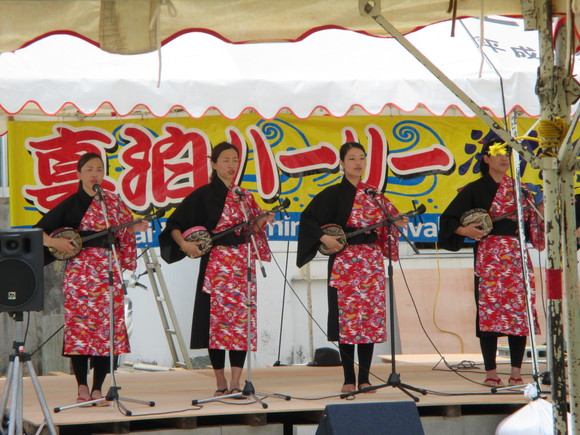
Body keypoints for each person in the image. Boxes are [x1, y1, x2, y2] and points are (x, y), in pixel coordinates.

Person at [159, 141, 273, 397]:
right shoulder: (202, 195)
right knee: (216, 324)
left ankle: (236, 381)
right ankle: (220, 382)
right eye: (225, 160)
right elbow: (174, 223)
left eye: (235, 160)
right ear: (213, 164)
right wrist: (184, 244)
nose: (231, 165)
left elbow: (252, 230)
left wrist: (262, 221)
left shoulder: (245, 196)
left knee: (239, 324)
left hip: (242, 265)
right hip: (217, 264)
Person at [35, 152, 149, 405]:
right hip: (81, 273)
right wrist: (55, 242)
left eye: (99, 169)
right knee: (81, 330)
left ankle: (99, 387)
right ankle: (82, 386)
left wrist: (135, 227)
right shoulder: (71, 203)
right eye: (89, 169)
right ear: (79, 174)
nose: (94, 174)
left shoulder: (112, 202)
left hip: (108, 271)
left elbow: (124, 228)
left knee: (106, 331)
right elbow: (37, 231)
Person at [296, 141, 408, 393]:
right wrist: (324, 238)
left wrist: (396, 224)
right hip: (345, 262)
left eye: (362, 158)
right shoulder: (333, 194)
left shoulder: (374, 195)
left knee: (367, 323)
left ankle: (365, 378)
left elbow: (389, 222)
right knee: (348, 324)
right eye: (352, 159)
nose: (358, 163)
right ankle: (348, 379)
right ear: (342, 163)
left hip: (370, 262)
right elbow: (308, 219)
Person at [438, 139, 544, 387]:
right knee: (489, 313)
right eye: (497, 154)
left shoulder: (522, 191)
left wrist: (541, 209)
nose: (503, 158)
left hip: (516, 254)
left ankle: (516, 370)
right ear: (486, 159)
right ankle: (490, 370)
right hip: (490, 255)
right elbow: (449, 219)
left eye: (507, 153)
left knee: (519, 313)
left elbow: (533, 229)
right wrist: (465, 230)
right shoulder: (474, 189)